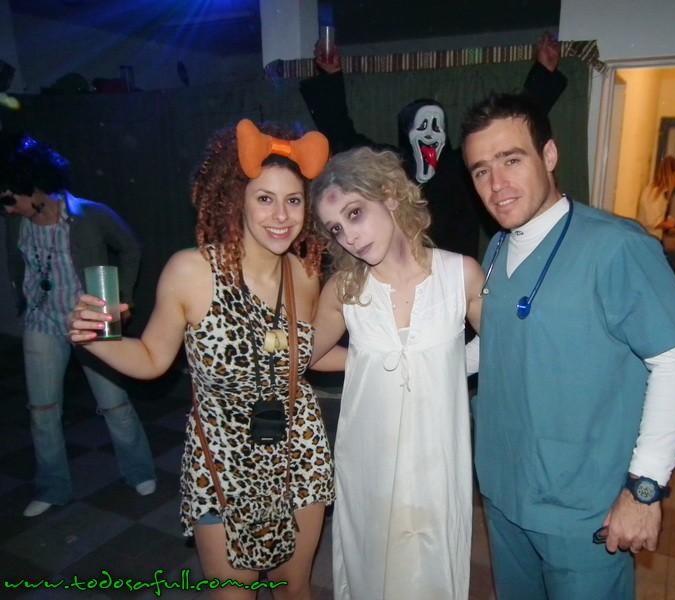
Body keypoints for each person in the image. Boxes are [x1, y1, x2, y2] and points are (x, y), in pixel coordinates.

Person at [68, 120, 337, 599]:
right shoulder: (191, 271)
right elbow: (151, 358)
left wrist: (387, 358)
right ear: (237, 200)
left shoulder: (305, 274)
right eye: (265, 198)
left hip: (299, 452)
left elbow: (304, 356)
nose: (281, 215)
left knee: (294, 589)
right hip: (223, 460)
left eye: (294, 200)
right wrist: (94, 339)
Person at [460, 93, 675, 599]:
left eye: (511, 160)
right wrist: (424, 368)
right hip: (504, 491)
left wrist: (644, 490)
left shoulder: (617, 247)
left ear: (549, 156)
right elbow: (500, 340)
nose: (496, 185)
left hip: (582, 508)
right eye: (481, 170)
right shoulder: (500, 246)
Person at [308, 147, 484, 600]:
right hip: (370, 458)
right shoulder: (344, 290)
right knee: (374, 567)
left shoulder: (460, 274)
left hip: (437, 460)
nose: (349, 235)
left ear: (389, 196)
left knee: (432, 569)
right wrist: (369, 361)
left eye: (354, 213)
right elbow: (306, 355)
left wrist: (445, 363)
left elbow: (502, 347)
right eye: (336, 228)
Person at [300, 32, 567, 260]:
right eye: (423, 127)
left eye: (436, 127)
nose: (430, 135)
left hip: (456, 285)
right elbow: (343, 136)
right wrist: (331, 76)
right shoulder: (391, 168)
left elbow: (511, 130)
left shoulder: (463, 170)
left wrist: (543, 74)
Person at [0, 133, 156, 518]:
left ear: (33, 185)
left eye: (9, 199)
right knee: (42, 409)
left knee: (115, 404)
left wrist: (122, 300)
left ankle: (139, 470)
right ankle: (53, 487)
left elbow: (131, 248)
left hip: (90, 322)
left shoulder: (89, 214)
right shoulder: (18, 224)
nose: (7, 209)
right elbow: (20, 266)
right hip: (42, 320)